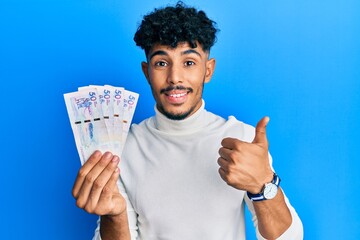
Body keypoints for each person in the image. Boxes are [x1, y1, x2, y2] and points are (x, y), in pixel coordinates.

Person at [72, 2, 303, 239]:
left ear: (208, 70)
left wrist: (263, 185)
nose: (175, 77)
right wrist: (115, 215)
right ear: (146, 72)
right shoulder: (121, 147)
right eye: (161, 63)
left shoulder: (241, 138)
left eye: (189, 63)